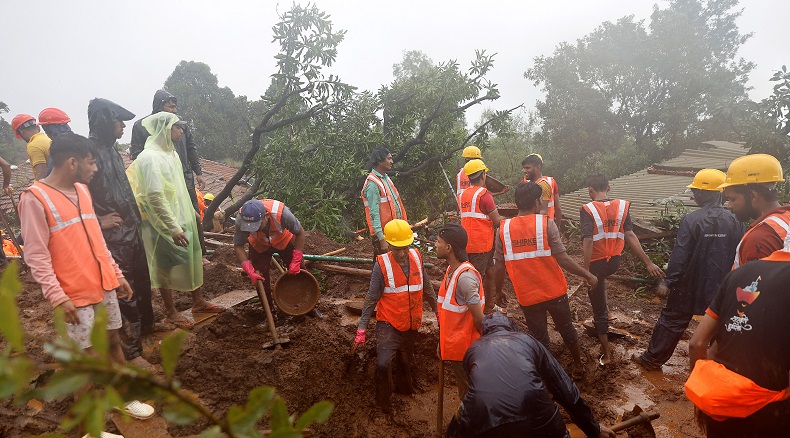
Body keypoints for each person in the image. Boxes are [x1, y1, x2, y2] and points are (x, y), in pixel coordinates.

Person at [19, 133, 155, 427]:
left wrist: (116, 274)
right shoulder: (35, 199)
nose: (96, 169)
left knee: (113, 341)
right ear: (72, 162)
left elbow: (96, 239)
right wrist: (57, 296)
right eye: (91, 162)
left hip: (102, 284)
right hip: (73, 295)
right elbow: (36, 257)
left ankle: (123, 398)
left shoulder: (82, 190)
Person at [638, 169, 744, 371]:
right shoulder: (736, 220)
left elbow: (680, 255)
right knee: (719, 327)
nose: (694, 195)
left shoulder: (692, 219)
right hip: (723, 285)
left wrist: (668, 281)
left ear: (706, 194)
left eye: (696, 191)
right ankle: (714, 368)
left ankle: (652, 360)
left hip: (689, 285)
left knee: (672, 320)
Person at [446, 313, 616, 438]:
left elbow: (475, 393)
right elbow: (565, 388)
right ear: (511, 328)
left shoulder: (474, 349)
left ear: (484, 333)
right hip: (537, 411)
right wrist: (593, 429)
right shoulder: (527, 340)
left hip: (484, 415)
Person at [686, 235, 790, 437]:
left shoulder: (739, 273)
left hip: (720, 401)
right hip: (771, 410)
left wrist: (702, 393)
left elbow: (696, 343)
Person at [126, 111, 222, 329]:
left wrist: (191, 211)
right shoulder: (149, 158)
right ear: (165, 129)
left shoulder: (172, 154)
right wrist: (172, 227)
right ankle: (171, 312)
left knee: (193, 256)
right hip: (161, 224)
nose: (182, 131)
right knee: (165, 266)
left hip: (181, 217)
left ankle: (198, 301)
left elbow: (180, 188)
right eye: (178, 127)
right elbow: (154, 197)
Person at [494, 182, 596, 378]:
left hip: (528, 296)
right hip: (554, 291)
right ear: (536, 201)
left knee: (540, 339)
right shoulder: (545, 223)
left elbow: (499, 266)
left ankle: (550, 377)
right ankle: (577, 366)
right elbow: (563, 259)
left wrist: (498, 291)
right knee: (567, 328)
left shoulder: (503, 229)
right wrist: (588, 274)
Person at [86, 98, 153, 364]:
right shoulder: (88, 150)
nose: (123, 126)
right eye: (118, 120)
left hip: (130, 228)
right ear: (105, 121)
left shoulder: (112, 150)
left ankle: (147, 331)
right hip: (112, 235)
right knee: (124, 291)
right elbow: (75, 192)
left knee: (142, 282)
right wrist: (97, 220)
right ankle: (131, 350)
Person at [353, 219, 438, 412]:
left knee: (405, 360)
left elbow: (428, 288)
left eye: (405, 248)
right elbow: (370, 298)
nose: (402, 253)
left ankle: (406, 391)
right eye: (397, 248)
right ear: (389, 245)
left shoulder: (417, 257)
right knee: (383, 364)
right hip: (388, 324)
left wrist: (437, 312)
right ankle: (383, 402)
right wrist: (362, 329)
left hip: (411, 322)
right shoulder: (382, 265)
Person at [581, 173, 664, 365]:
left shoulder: (587, 209)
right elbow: (630, 235)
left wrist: (586, 271)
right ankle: (603, 320)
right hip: (614, 263)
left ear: (590, 191)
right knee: (601, 288)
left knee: (598, 306)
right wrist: (648, 263)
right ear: (608, 188)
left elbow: (587, 239)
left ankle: (607, 355)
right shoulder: (622, 207)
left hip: (597, 264)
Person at [131, 90, 208, 259]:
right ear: (159, 106)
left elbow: (191, 147)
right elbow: (136, 155)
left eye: (175, 107)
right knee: (162, 213)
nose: (174, 110)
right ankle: (166, 258)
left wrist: (198, 172)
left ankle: (198, 253)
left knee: (192, 215)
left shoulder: (181, 124)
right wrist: (151, 170)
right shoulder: (141, 126)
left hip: (183, 176)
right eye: (170, 106)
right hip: (158, 179)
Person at [234, 198, 314, 319]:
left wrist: (296, 259)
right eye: (250, 227)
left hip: (284, 241)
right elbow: (238, 245)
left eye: (257, 225)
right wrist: (249, 270)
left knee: (300, 271)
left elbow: (300, 233)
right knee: (261, 280)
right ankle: (270, 314)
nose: (254, 229)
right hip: (259, 245)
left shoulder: (282, 213)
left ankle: (309, 308)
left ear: (266, 216)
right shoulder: (241, 219)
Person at [435, 223, 484, 398]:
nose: (435, 244)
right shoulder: (451, 270)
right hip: (456, 348)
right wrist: (443, 342)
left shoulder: (465, 278)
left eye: (438, 241)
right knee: (466, 392)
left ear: (448, 248)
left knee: (471, 395)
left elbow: (479, 320)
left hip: (466, 351)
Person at [718, 154, 788, 268]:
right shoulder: (786, 218)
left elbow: (753, 285)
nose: (729, 206)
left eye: (732, 199)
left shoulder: (759, 238)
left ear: (753, 195)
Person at [459, 159, 503, 311]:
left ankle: (489, 304)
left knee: (489, 270)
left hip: (468, 242)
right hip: (482, 243)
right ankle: (475, 311)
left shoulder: (463, 195)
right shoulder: (485, 195)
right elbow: (497, 220)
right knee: (476, 278)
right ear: (483, 175)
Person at [361, 146, 407, 256]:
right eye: (389, 158)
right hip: (384, 236)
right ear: (380, 161)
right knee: (383, 268)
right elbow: (374, 215)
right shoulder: (373, 184)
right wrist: (381, 240)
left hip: (393, 232)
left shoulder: (385, 178)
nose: (392, 161)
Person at [521, 153, 563, 230]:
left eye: (527, 168)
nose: (524, 171)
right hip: (540, 226)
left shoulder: (543, 185)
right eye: (524, 168)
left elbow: (543, 212)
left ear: (537, 167)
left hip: (541, 228)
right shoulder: (550, 181)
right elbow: (558, 208)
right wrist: (557, 227)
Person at [11, 113, 50, 180]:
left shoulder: (33, 146)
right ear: (38, 127)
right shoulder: (47, 139)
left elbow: (41, 175)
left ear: (22, 132)